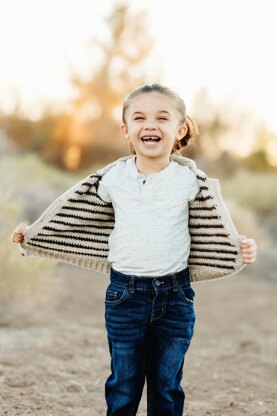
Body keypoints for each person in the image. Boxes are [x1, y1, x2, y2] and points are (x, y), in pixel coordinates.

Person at [11, 83, 257, 416]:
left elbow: (214, 227)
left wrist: (239, 247)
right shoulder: (112, 179)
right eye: (139, 117)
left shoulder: (190, 181)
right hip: (125, 295)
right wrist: (35, 235)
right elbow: (74, 214)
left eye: (162, 117)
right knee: (124, 383)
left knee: (167, 385)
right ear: (126, 130)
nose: (150, 125)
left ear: (179, 129)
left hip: (176, 297)